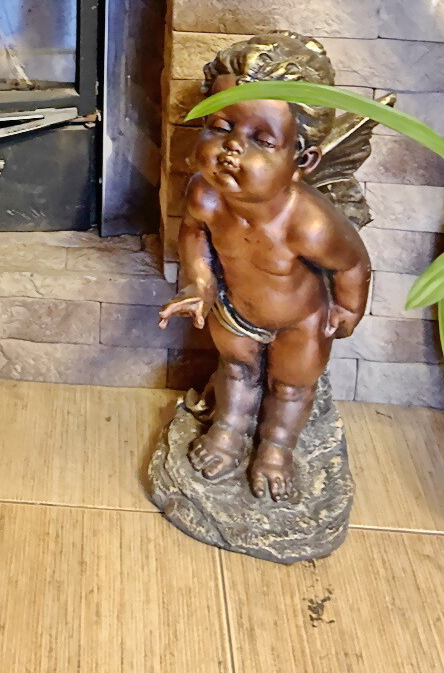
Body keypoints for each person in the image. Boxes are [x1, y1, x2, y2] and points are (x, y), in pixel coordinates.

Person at [159, 35, 371, 502]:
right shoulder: (205, 195)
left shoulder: (309, 225)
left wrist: (348, 310)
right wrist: (199, 282)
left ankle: (276, 447)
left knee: (291, 387)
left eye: (261, 140)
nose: (231, 148)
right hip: (234, 308)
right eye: (220, 127)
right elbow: (193, 232)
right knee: (235, 369)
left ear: (303, 160)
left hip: (300, 321)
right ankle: (229, 430)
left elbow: (354, 263)